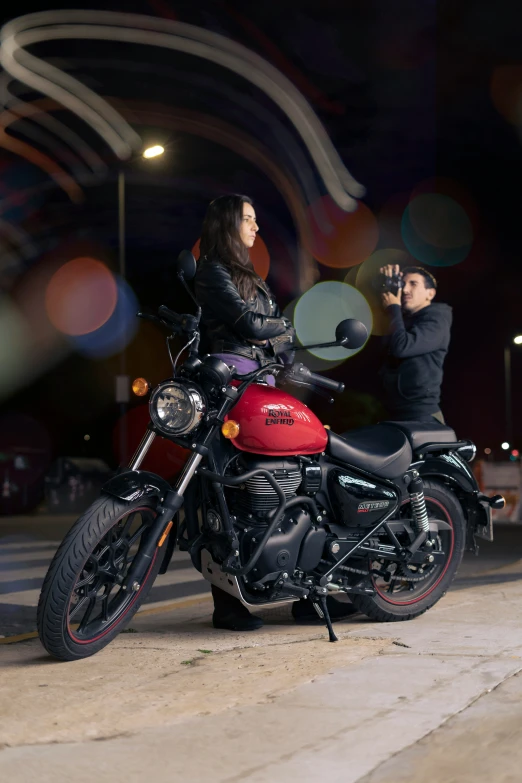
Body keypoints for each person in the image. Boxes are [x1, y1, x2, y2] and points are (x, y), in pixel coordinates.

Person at [194, 194, 356, 631]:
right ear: (228, 223)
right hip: (229, 388)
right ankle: (227, 606)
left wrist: (294, 363)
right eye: (248, 219)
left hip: (261, 389)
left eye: (255, 219)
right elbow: (250, 326)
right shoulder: (213, 271)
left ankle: (308, 593)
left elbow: (278, 344)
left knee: (302, 478)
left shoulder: (249, 276)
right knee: (226, 494)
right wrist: (285, 327)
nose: (256, 227)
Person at [379, 263, 452, 423]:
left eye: (413, 284)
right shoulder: (402, 320)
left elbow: (402, 347)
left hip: (421, 416)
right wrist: (385, 284)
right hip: (393, 413)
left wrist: (394, 308)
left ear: (430, 293)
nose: (405, 290)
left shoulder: (437, 320)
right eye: (403, 284)